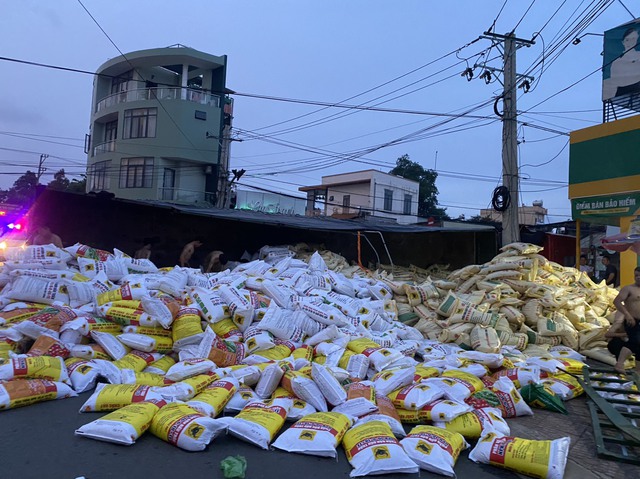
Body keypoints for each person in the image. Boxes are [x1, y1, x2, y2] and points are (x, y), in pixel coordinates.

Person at [607, 267, 640, 373]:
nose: (638, 277)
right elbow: (617, 301)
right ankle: (619, 364)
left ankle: (638, 372)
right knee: (635, 342)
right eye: (636, 275)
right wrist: (627, 315)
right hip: (632, 320)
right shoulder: (628, 288)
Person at [604, 26, 640, 99]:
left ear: (636, 40)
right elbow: (615, 82)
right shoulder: (616, 62)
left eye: (633, 39)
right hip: (623, 93)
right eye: (627, 39)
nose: (630, 42)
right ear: (623, 42)